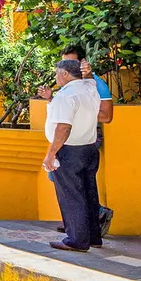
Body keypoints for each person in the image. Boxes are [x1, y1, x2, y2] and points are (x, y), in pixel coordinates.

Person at [39, 60, 104, 252]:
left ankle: (77, 240)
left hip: (69, 151)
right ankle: (93, 237)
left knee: (71, 195)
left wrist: (51, 153)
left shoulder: (66, 95)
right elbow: (90, 80)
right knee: (89, 193)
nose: (56, 77)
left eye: (58, 73)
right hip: (89, 148)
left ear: (66, 74)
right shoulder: (89, 88)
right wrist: (88, 72)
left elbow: (64, 127)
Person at [58, 46, 115, 237]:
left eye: (71, 63)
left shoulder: (96, 84)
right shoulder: (70, 85)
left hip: (85, 139)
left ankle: (94, 218)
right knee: (65, 182)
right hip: (68, 140)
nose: (66, 68)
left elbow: (107, 116)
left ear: (82, 63)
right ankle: (78, 225)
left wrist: (79, 113)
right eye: (63, 63)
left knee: (76, 184)